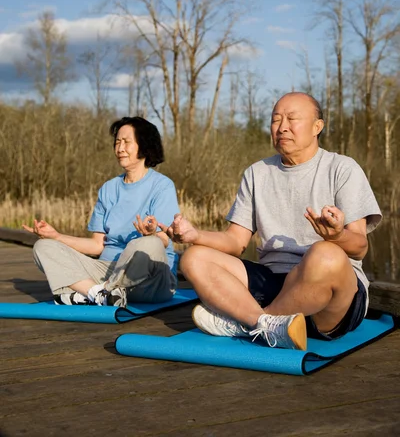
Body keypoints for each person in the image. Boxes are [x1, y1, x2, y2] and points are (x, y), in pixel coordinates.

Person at [160, 92, 382, 350]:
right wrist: (194, 236)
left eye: (292, 118)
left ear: (317, 127)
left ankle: (248, 324)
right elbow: (235, 241)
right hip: (273, 282)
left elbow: (359, 247)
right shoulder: (257, 173)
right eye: (276, 120)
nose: (282, 127)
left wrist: (336, 237)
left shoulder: (343, 168)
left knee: (326, 254)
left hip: (330, 300)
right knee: (193, 258)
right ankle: (265, 323)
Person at [23, 117, 179, 307]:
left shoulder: (162, 186)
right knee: (44, 247)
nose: (120, 148)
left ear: (144, 146)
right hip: (106, 272)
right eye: (117, 142)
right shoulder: (108, 188)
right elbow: (97, 246)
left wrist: (153, 234)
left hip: (149, 281)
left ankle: (90, 293)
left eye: (126, 142)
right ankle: (99, 294)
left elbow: (163, 241)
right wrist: (55, 236)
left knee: (148, 243)